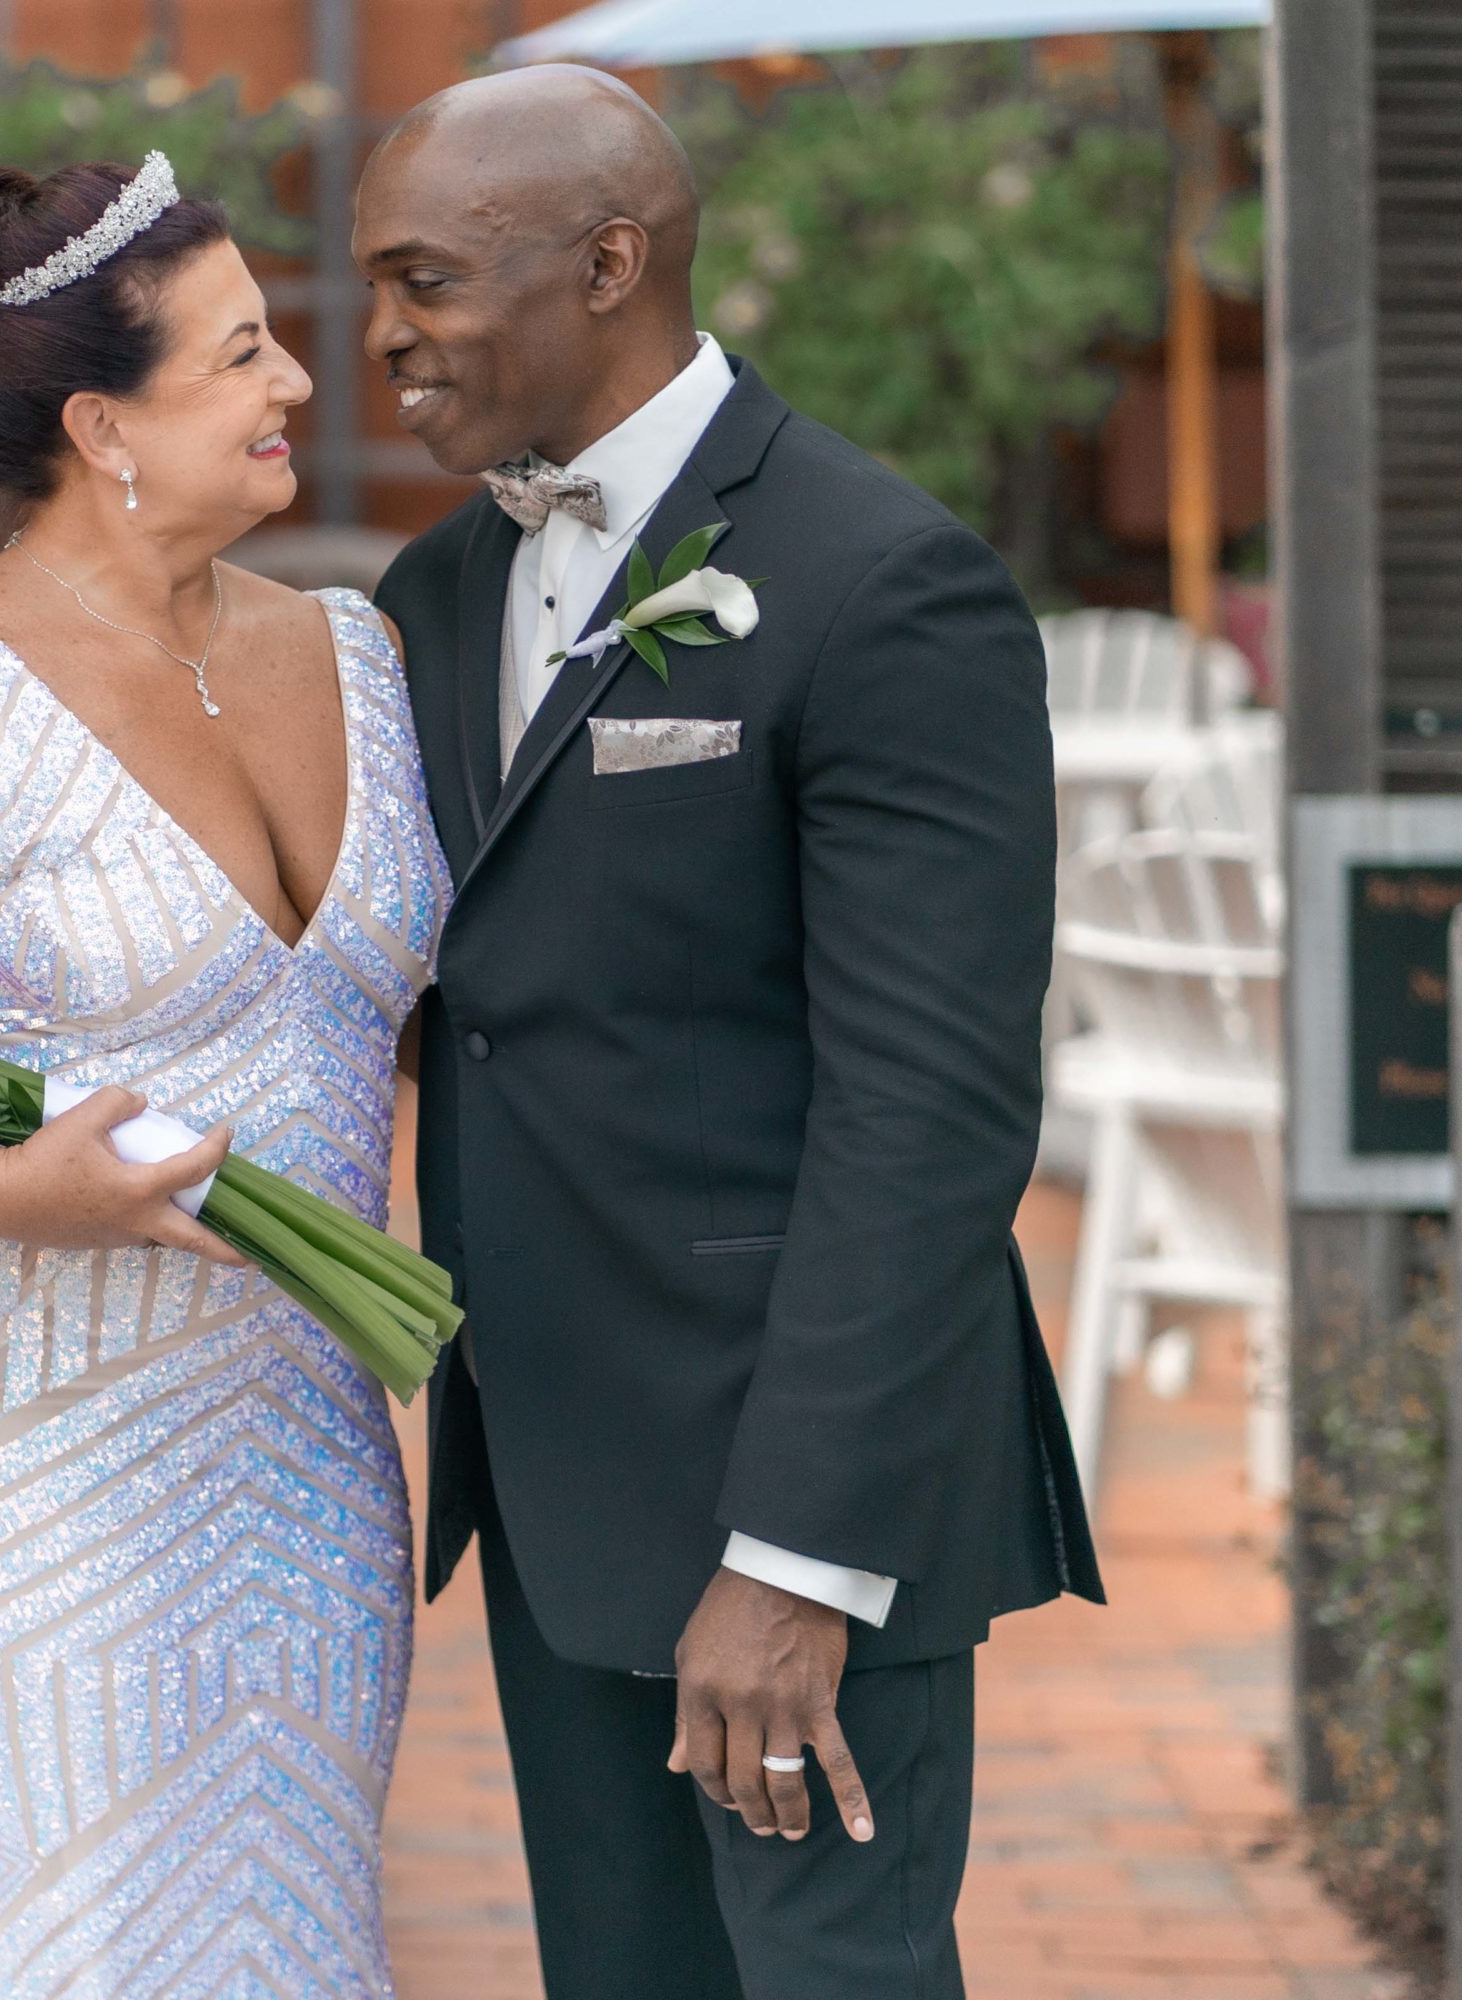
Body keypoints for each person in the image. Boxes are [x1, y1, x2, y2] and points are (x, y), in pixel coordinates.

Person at [358, 67, 1103, 1999]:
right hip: (554, 1480)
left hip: (801, 1495)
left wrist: (796, 1558)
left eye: (425, 280)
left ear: (609, 263)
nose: (381, 338)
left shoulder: (883, 581)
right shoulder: (436, 591)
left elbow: (931, 1111)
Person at [0, 153, 451, 1998]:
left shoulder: (363, 655)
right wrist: (16, 1188)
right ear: (100, 426)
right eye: (240, 354)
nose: (299, 379)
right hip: (23, 1490)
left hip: (304, 1475)